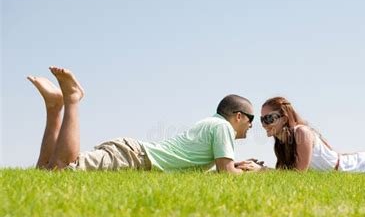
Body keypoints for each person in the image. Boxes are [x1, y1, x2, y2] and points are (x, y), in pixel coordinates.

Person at [27, 66, 263, 174]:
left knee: (44, 173)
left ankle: (54, 107)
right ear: (238, 116)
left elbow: (214, 167)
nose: (252, 125)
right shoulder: (223, 127)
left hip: (133, 154)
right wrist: (251, 172)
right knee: (61, 170)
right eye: (250, 119)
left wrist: (236, 164)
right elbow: (226, 173)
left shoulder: (212, 124)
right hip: (133, 158)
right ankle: (72, 100)